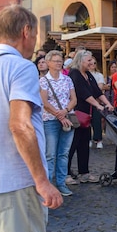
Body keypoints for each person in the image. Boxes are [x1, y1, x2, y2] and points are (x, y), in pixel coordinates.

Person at [0, 4, 63, 232]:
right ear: (26, 32)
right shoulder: (21, 67)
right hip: (18, 184)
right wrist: (43, 182)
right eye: (35, 35)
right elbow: (20, 125)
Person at [67, 50, 114, 183]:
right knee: (72, 144)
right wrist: (98, 105)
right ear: (80, 61)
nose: (92, 62)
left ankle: (84, 172)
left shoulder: (88, 74)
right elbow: (83, 93)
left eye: (92, 60)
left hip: (87, 115)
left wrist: (107, 103)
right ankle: (65, 173)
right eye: (88, 60)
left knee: (84, 143)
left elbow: (96, 91)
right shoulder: (75, 74)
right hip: (76, 113)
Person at [40, 50, 78, 197]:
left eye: (60, 60)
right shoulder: (43, 81)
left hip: (68, 118)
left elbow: (74, 99)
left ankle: (61, 184)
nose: (59, 63)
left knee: (64, 153)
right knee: (50, 154)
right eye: (55, 60)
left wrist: (65, 111)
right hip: (50, 120)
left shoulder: (67, 80)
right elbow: (44, 102)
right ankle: (48, 185)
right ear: (48, 63)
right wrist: (59, 114)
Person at [89, 59, 105, 149]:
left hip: (96, 100)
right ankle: (88, 139)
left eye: (94, 63)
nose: (92, 65)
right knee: (87, 121)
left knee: (97, 121)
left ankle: (98, 139)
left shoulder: (99, 75)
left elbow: (99, 88)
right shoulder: (84, 75)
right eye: (91, 63)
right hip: (86, 101)